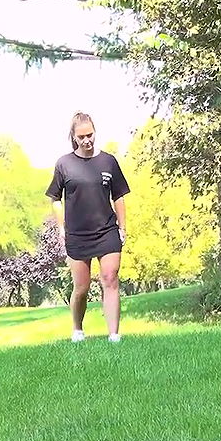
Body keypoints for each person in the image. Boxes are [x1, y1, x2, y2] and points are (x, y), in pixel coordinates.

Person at [45, 112, 130, 343]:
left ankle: (114, 335)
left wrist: (123, 228)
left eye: (90, 135)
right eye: (81, 136)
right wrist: (61, 228)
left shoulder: (108, 161)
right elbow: (55, 198)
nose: (87, 140)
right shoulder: (64, 164)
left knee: (110, 278)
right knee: (81, 287)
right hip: (77, 235)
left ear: (95, 132)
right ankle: (77, 329)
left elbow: (119, 196)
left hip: (107, 231)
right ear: (73, 137)